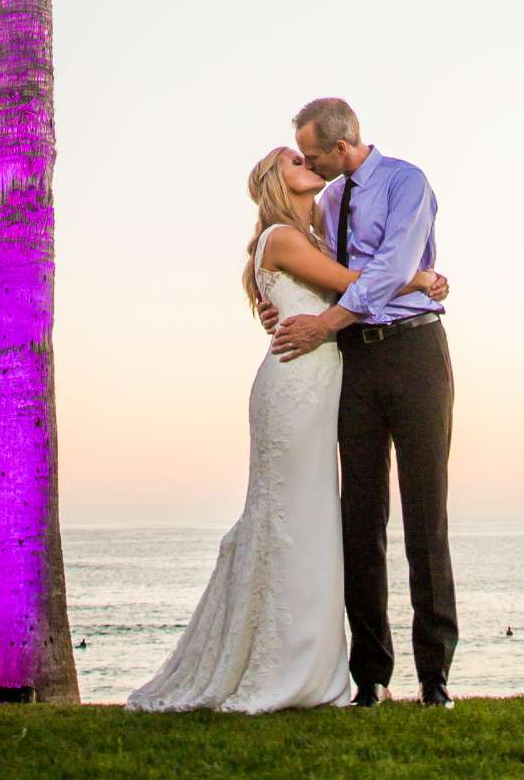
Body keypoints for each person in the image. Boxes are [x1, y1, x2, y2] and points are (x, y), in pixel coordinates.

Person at [126, 142, 445, 714]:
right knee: (298, 518)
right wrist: (418, 277)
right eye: (295, 161)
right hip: (297, 387)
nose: (310, 165)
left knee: (313, 521)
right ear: (277, 180)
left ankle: (323, 664)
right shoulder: (283, 237)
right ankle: (302, 666)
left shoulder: (313, 231)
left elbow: (324, 285)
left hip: (326, 382)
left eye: (309, 157)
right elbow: (354, 280)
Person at [267, 97, 458, 709]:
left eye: (315, 154)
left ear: (342, 146)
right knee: (361, 519)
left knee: (425, 515)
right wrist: (285, 304)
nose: (311, 163)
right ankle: (371, 676)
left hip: (416, 354)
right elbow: (317, 268)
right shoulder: (326, 201)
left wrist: (323, 324)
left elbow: (388, 268)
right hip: (357, 361)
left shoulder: (407, 183)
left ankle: (435, 678)